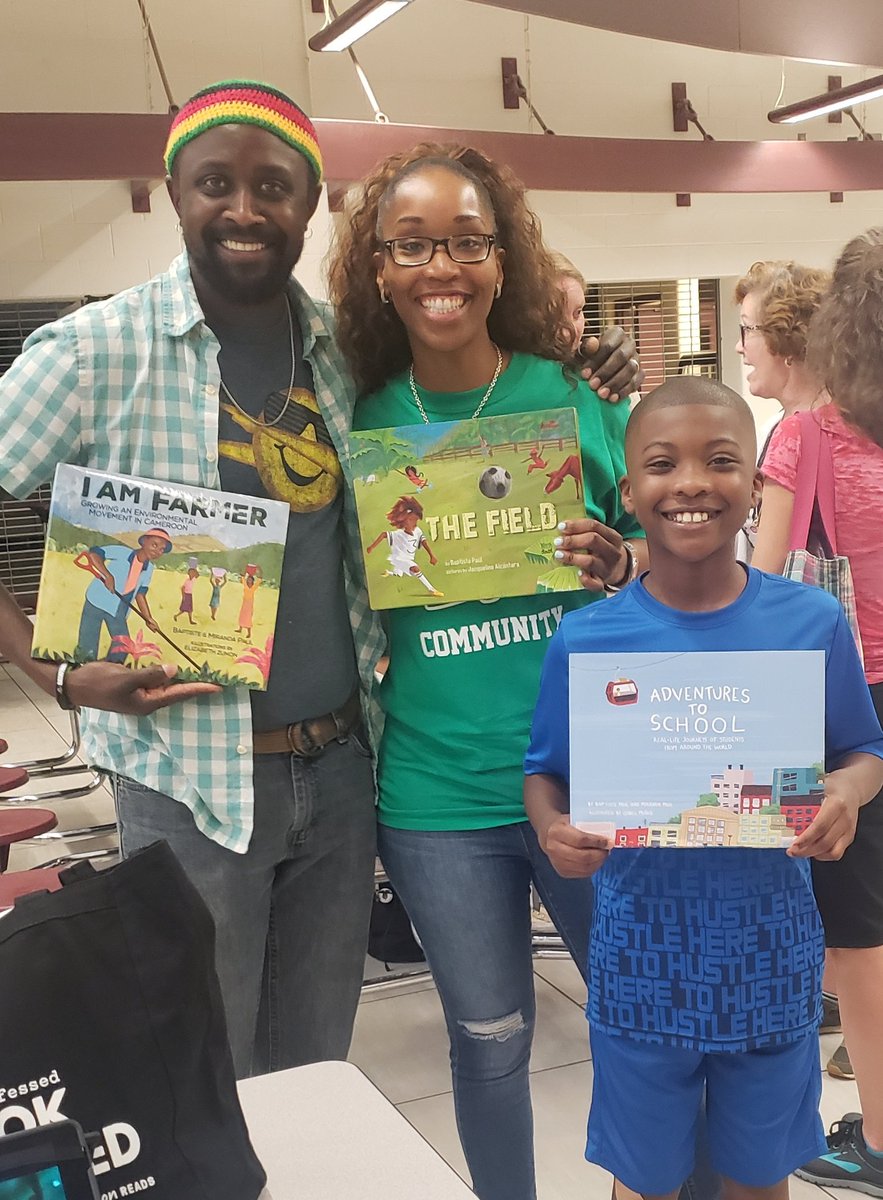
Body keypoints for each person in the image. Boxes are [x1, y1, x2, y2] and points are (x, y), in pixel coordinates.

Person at [0, 81, 641, 1080]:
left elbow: (463, 380)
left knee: (315, 1073)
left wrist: (584, 359)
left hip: (341, 772)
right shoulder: (95, 351)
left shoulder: (342, 352)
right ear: (176, 190)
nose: (245, 209)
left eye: (274, 186)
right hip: (187, 779)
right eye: (217, 183)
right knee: (209, 1077)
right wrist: (62, 675)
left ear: (310, 205)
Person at [328, 141, 647, 1200]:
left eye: (468, 241)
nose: (442, 267)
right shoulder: (354, 420)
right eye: (412, 244)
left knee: (641, 1022)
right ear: (377, 266)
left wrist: (630, 559)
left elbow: (685, 555)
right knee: (491, 1036)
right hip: (436, 796)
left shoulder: (573, 394)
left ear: (503, 259)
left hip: (595, 778)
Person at [525, 376, 883, 1200]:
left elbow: (864, 749)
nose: (689, 481)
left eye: (720, 460)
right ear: (629, 491)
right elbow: (543, 771)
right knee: (643, 1180)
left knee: (758, 1178)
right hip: (637, 962)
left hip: (771, 958)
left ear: (754, 489)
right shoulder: (587, 637)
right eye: (662, 463)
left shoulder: (808, 621)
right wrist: (552, 830)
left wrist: (843, 794)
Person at [753, 227, 883, 1194]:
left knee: (856, 935)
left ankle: (874, 1139)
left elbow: (763, 587)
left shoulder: (804, 437)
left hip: (840, 705)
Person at [733, 261, 829, 561]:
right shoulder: (773, 428)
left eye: (747, 329)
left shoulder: (797, 436)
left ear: (787, 339)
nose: (739, 346)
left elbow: (766, 576)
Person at [76, 529, 170, 660]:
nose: (157, 551)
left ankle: (108, 672)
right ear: (143, 541)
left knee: (123, 647)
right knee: (87, 646)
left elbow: (140, 594)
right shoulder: (123, 552)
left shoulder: (149, 569)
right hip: (97, 600)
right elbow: (94, 554)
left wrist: (148, 618)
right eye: (154, 545)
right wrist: (107, 575)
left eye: (161, 549)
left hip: (119, 607)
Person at [365, 495, 443, 597]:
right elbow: (384, 534)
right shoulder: (399, 534)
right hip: (399, 558)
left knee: (399, 574)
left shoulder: (417, 531)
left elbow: (424, 541)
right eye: (411, 521)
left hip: (408, 558)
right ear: (404, 522)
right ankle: (432, 590)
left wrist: (431, 555)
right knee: (415, 569)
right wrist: (371, 547)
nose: (414, 523)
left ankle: (389, 572)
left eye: (415, 521)